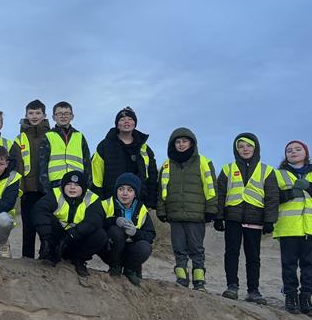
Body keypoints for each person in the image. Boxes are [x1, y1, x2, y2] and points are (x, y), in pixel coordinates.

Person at [272, 140, 312, 315]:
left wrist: (310, 187)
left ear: (306, 153)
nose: (293, 152)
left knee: (309, 265)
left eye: (297, 149)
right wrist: (289, 194)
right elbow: (272, 198)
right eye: (289, 150)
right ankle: (290, 296)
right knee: (289, 265)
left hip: (311, 227)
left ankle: (306, 298)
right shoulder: (278, 175)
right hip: (288, 227)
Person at [216, 133, 278, 304]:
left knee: (253, 256)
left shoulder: (267, 170)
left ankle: (253, 291)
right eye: (241, 146)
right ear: (236, 150)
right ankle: (232, 287)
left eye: (248, 145)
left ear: (255, 148)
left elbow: (272, 197)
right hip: (232, 218)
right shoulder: (227, 169)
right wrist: (218, 217)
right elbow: (220, 194)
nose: (245, 149)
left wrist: (269, 220)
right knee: (231, 253)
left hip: (255, 219)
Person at [156, 127, 218, 291]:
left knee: (196, 249)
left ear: (191, 143)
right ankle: (181, 279)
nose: (181, 144)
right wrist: (161, 210)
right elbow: (162, 189)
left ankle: (199, 281)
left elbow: (211, 187)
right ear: (173, 144)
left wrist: (211, 209)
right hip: (175, 214)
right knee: (179, 249)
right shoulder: (167, 165)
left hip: (196, 215)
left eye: (184, 141)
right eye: (178, 141)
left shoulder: (204, 162)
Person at [34, 169, 104, 276]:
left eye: (76, 185)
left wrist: (71, 235)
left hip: (76, 239)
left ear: (83, 188)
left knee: (100, 235)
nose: (72, 187)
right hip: (57, 239)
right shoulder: (55, 194)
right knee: (44, 217)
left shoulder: (92, 199)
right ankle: (50, 253)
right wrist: (46, 239)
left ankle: (78, 260)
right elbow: (39, 210)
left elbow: (95, 220)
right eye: (69, 184)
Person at [90, 107, 159, 207]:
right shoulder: (104, 146)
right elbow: (96, 177)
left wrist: (151, 201)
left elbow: (152, 177)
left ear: (135, 123)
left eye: (130, 119)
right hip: (110, 201)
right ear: (117, 124)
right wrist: (99, 201)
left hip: (139, 201)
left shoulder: (144, 148)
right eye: (122, 119)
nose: (126, 122)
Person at [99, 172, 156, 286]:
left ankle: (130, 270)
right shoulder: (105, 204)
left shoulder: (142, 210)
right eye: (121, 189)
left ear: (135, 193)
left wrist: (135, 233)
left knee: (145, 247)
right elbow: (96, 224)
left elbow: (150, 236)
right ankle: (115, 267)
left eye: (130, 190)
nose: (124, 193)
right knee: (116, 231)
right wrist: (114, 220)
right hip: (110, 249)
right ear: (116, 191)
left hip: (130, 250)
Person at [15, 100, 50, 259]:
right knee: (28, 226)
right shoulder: (19, 138)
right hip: (28, 190)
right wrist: (20, 188)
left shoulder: (52, 136)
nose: (34, 116)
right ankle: (27, 258)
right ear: (26, 115)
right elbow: (18, 165)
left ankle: (46, 255)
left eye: (38, 113)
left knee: (45, 225)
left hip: (46, 190)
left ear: (44, 115)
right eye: (31, 113)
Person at [38, 101, 90, 193]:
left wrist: (87, 184)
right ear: (54, 117)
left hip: (76, 181)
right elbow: (42, 164)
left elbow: (87, 163)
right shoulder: (48, 136)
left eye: (66, 113)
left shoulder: (79, 136)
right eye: (60, 114)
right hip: (55, 182)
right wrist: (46, 188)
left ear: (72, 116)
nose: (63, 116)